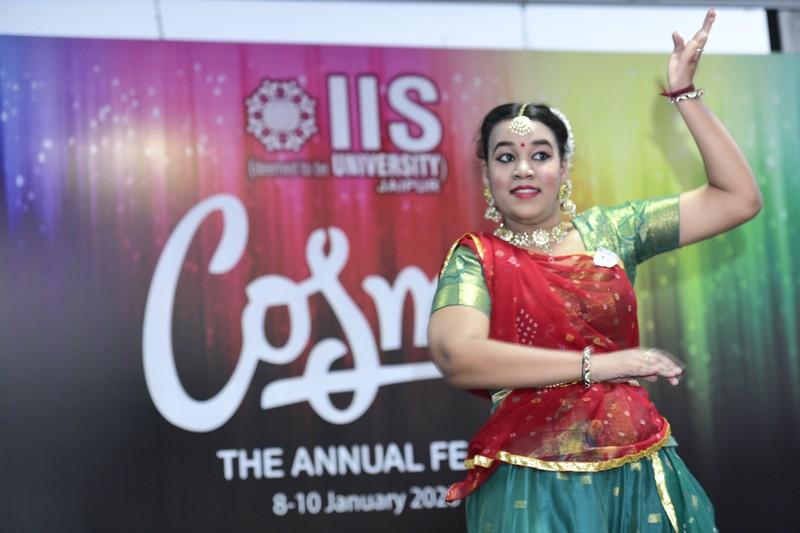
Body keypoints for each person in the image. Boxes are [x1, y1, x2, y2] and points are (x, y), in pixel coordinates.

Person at [427, 9, 762, 532]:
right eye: (505, 157)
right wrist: (599, 365)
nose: (523, 169)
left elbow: (737, 198)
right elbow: (457, 356)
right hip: (534, 478)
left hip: (638, 464)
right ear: (487, 173)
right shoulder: (476, 257)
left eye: (540, 154)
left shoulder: (614, 231)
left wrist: (684, 94)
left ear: (563, 167)